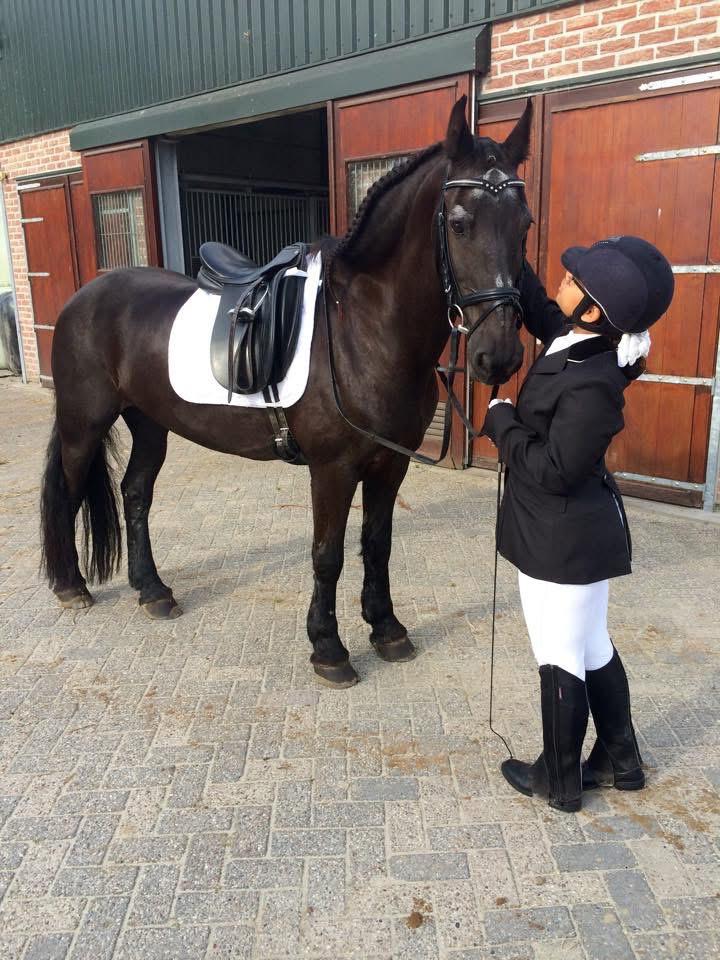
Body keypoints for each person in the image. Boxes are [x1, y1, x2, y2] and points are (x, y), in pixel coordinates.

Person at [481, 235, 674, 813]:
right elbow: (546, 313)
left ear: (591, 311)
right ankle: (620, 759)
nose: (563, 280)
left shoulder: (593, 384)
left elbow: (556, 470)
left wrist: (502, 422)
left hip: (561, 540)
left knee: (559, 654)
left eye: (573, 281)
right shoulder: (583, 340)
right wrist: (506, 254)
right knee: (591, 645)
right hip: (568, 535)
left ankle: (559, 780)